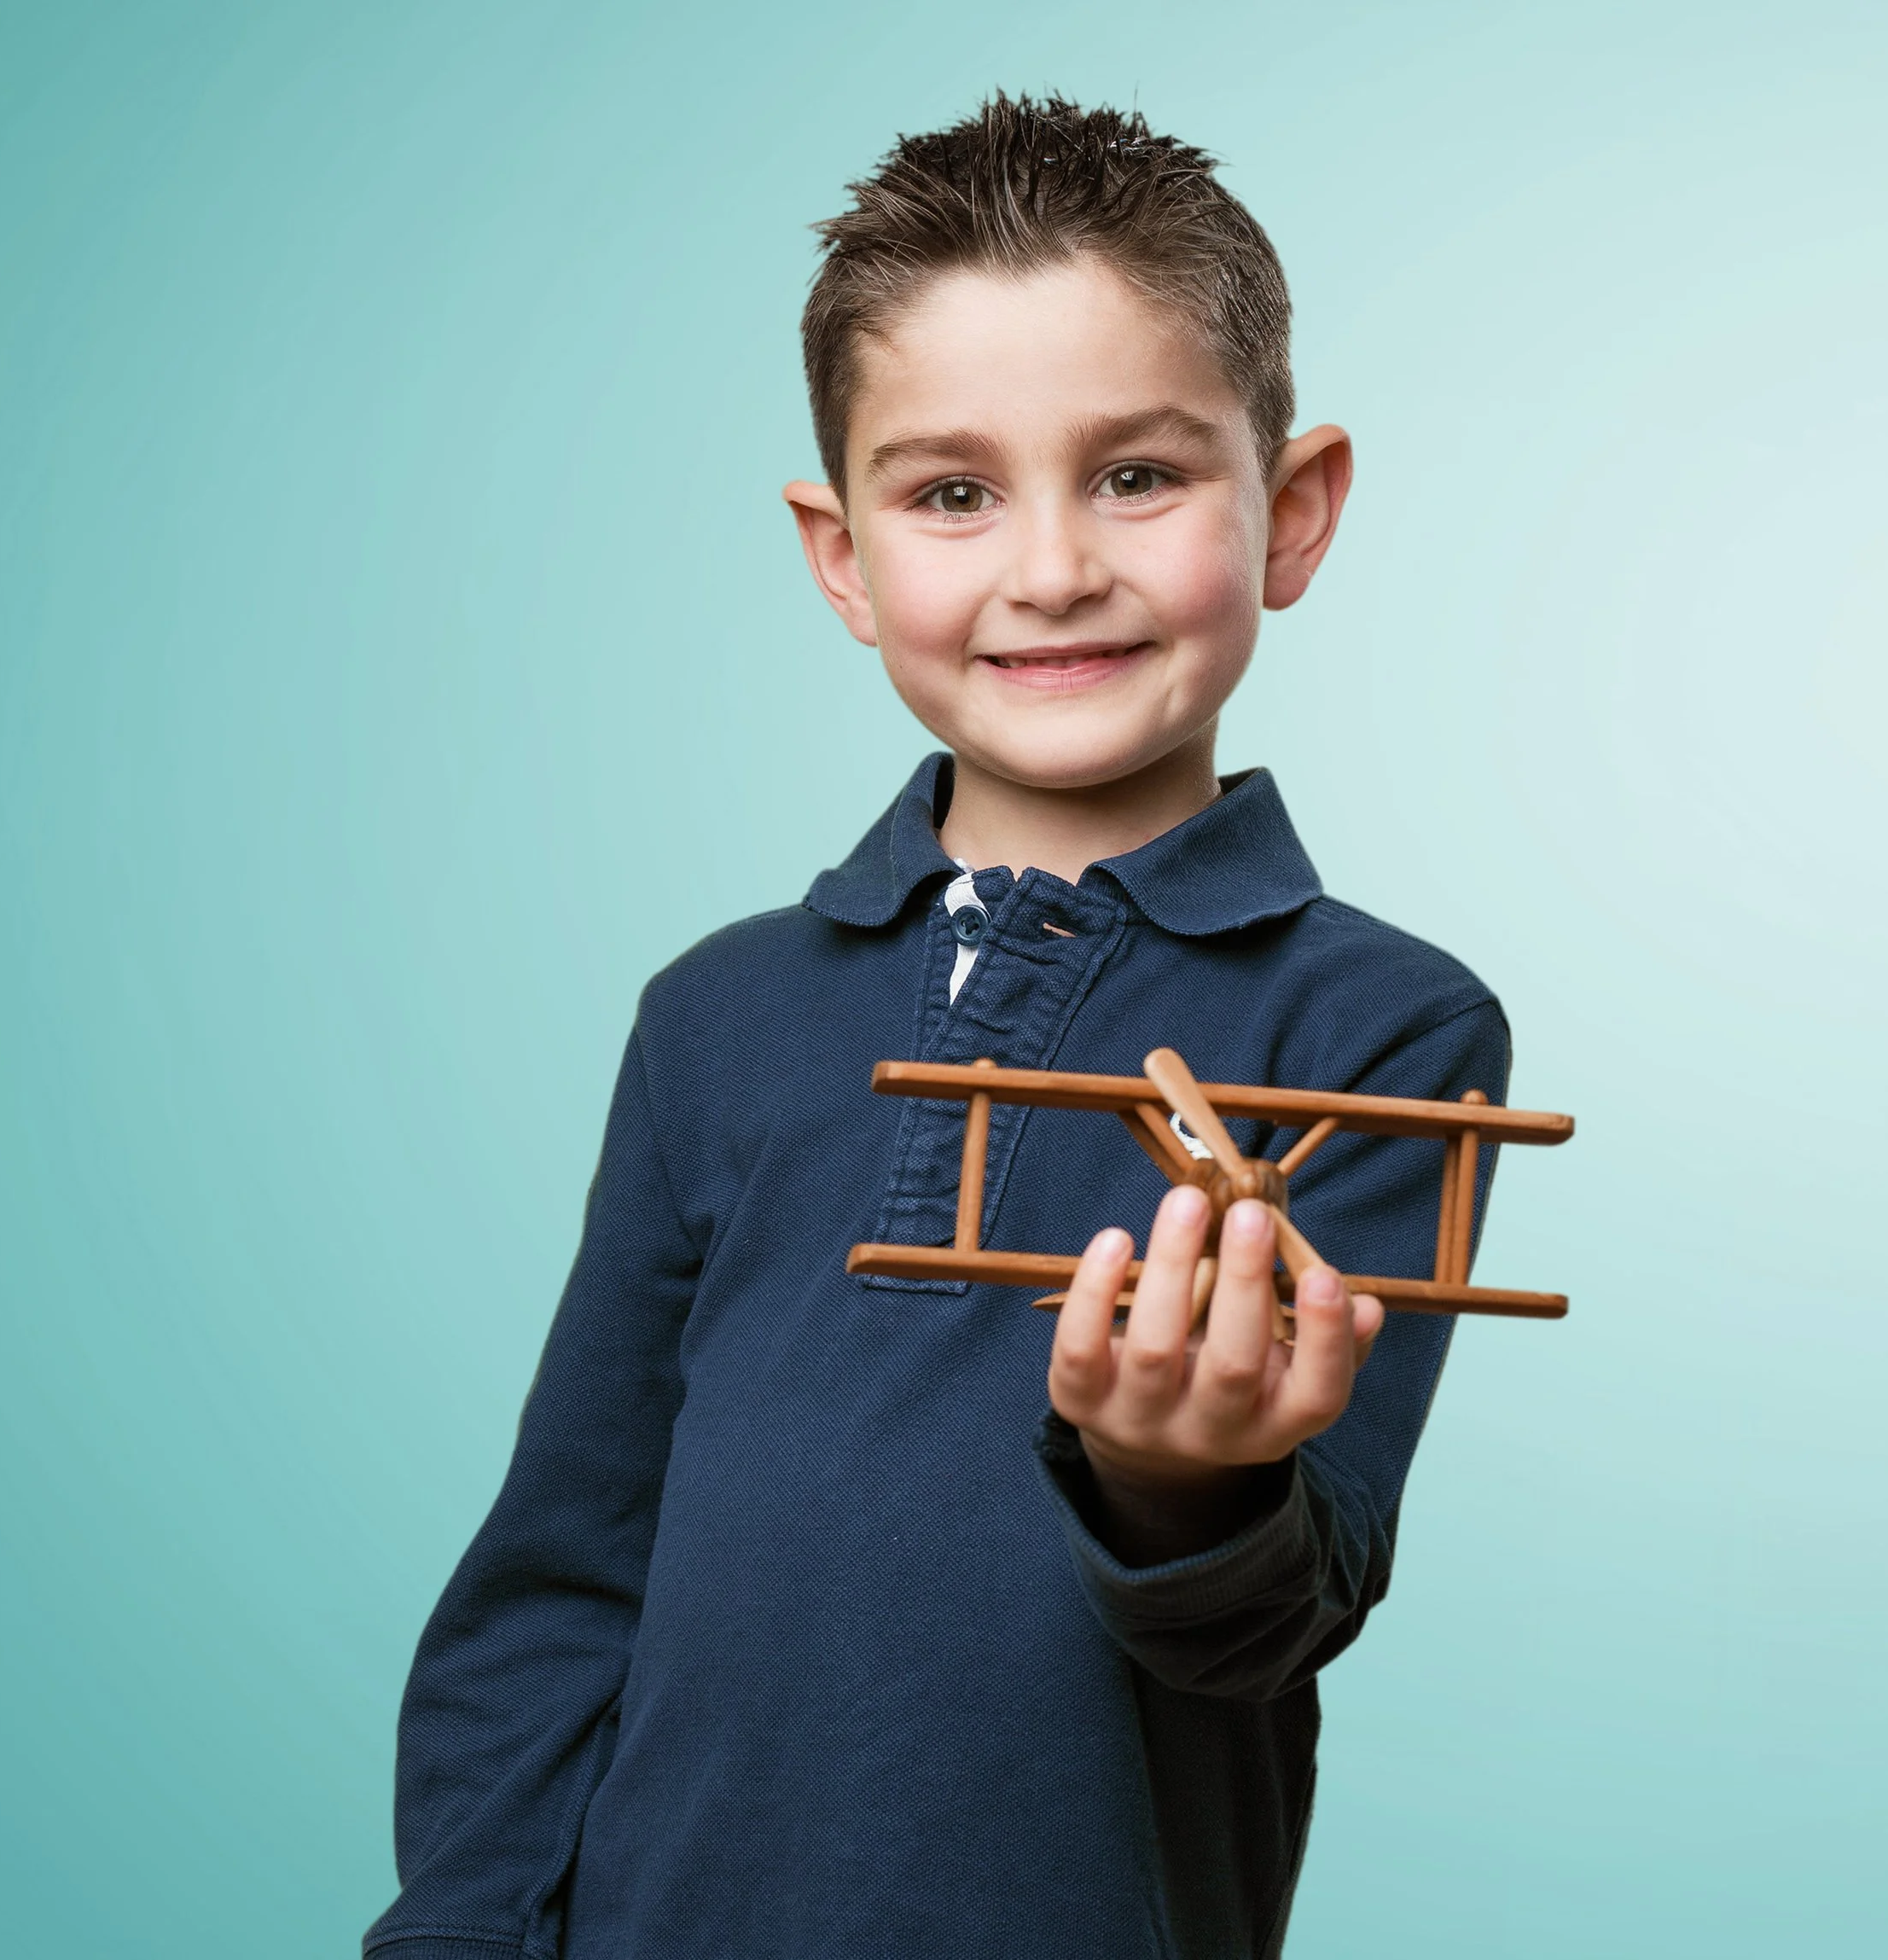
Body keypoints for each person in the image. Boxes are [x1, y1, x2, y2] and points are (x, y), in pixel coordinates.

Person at [365, 94, 1510, 1960]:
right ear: (840, 555)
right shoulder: (714, 1016)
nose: (1048, 566)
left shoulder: (1382, 1023)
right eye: (952, 491)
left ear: (1288, 509)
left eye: (1136, 474)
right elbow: (559, 1574)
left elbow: (1278, 1604)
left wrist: (1174, 1471)